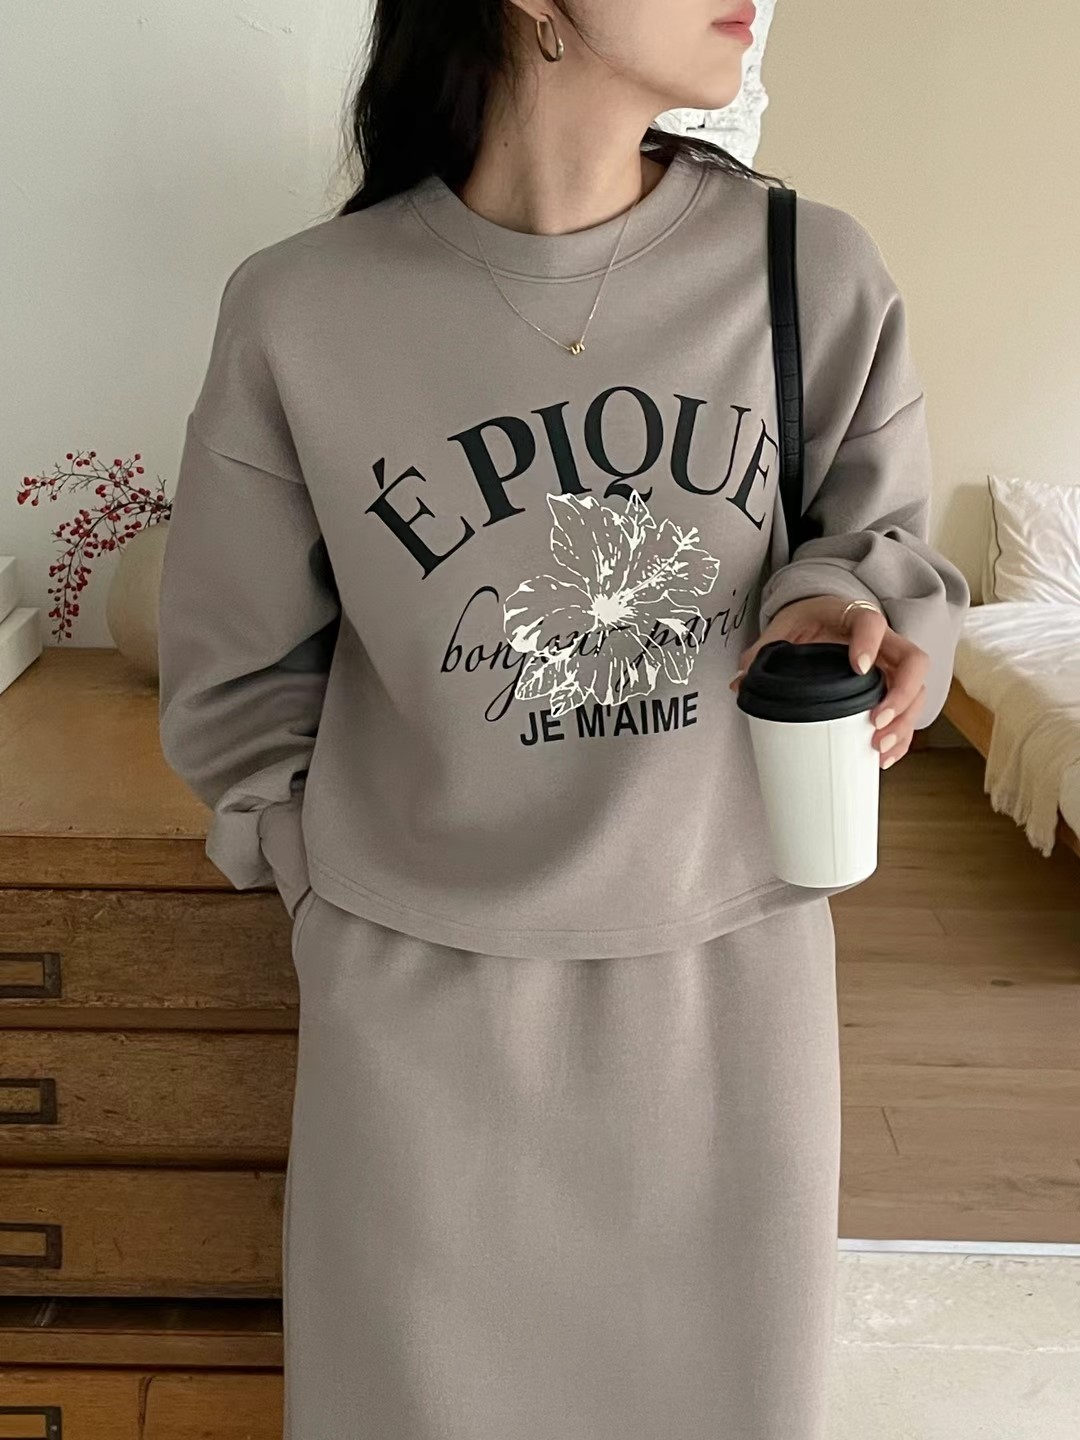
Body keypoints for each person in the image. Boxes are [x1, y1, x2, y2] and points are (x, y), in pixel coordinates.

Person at [156, 3, 970, 1436]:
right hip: (420, 1006)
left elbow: (876, 543)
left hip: (726, 983)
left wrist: (828, 611)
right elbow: (236, 674)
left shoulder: (809, 268)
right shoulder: (301, 308)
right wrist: (319, 890)